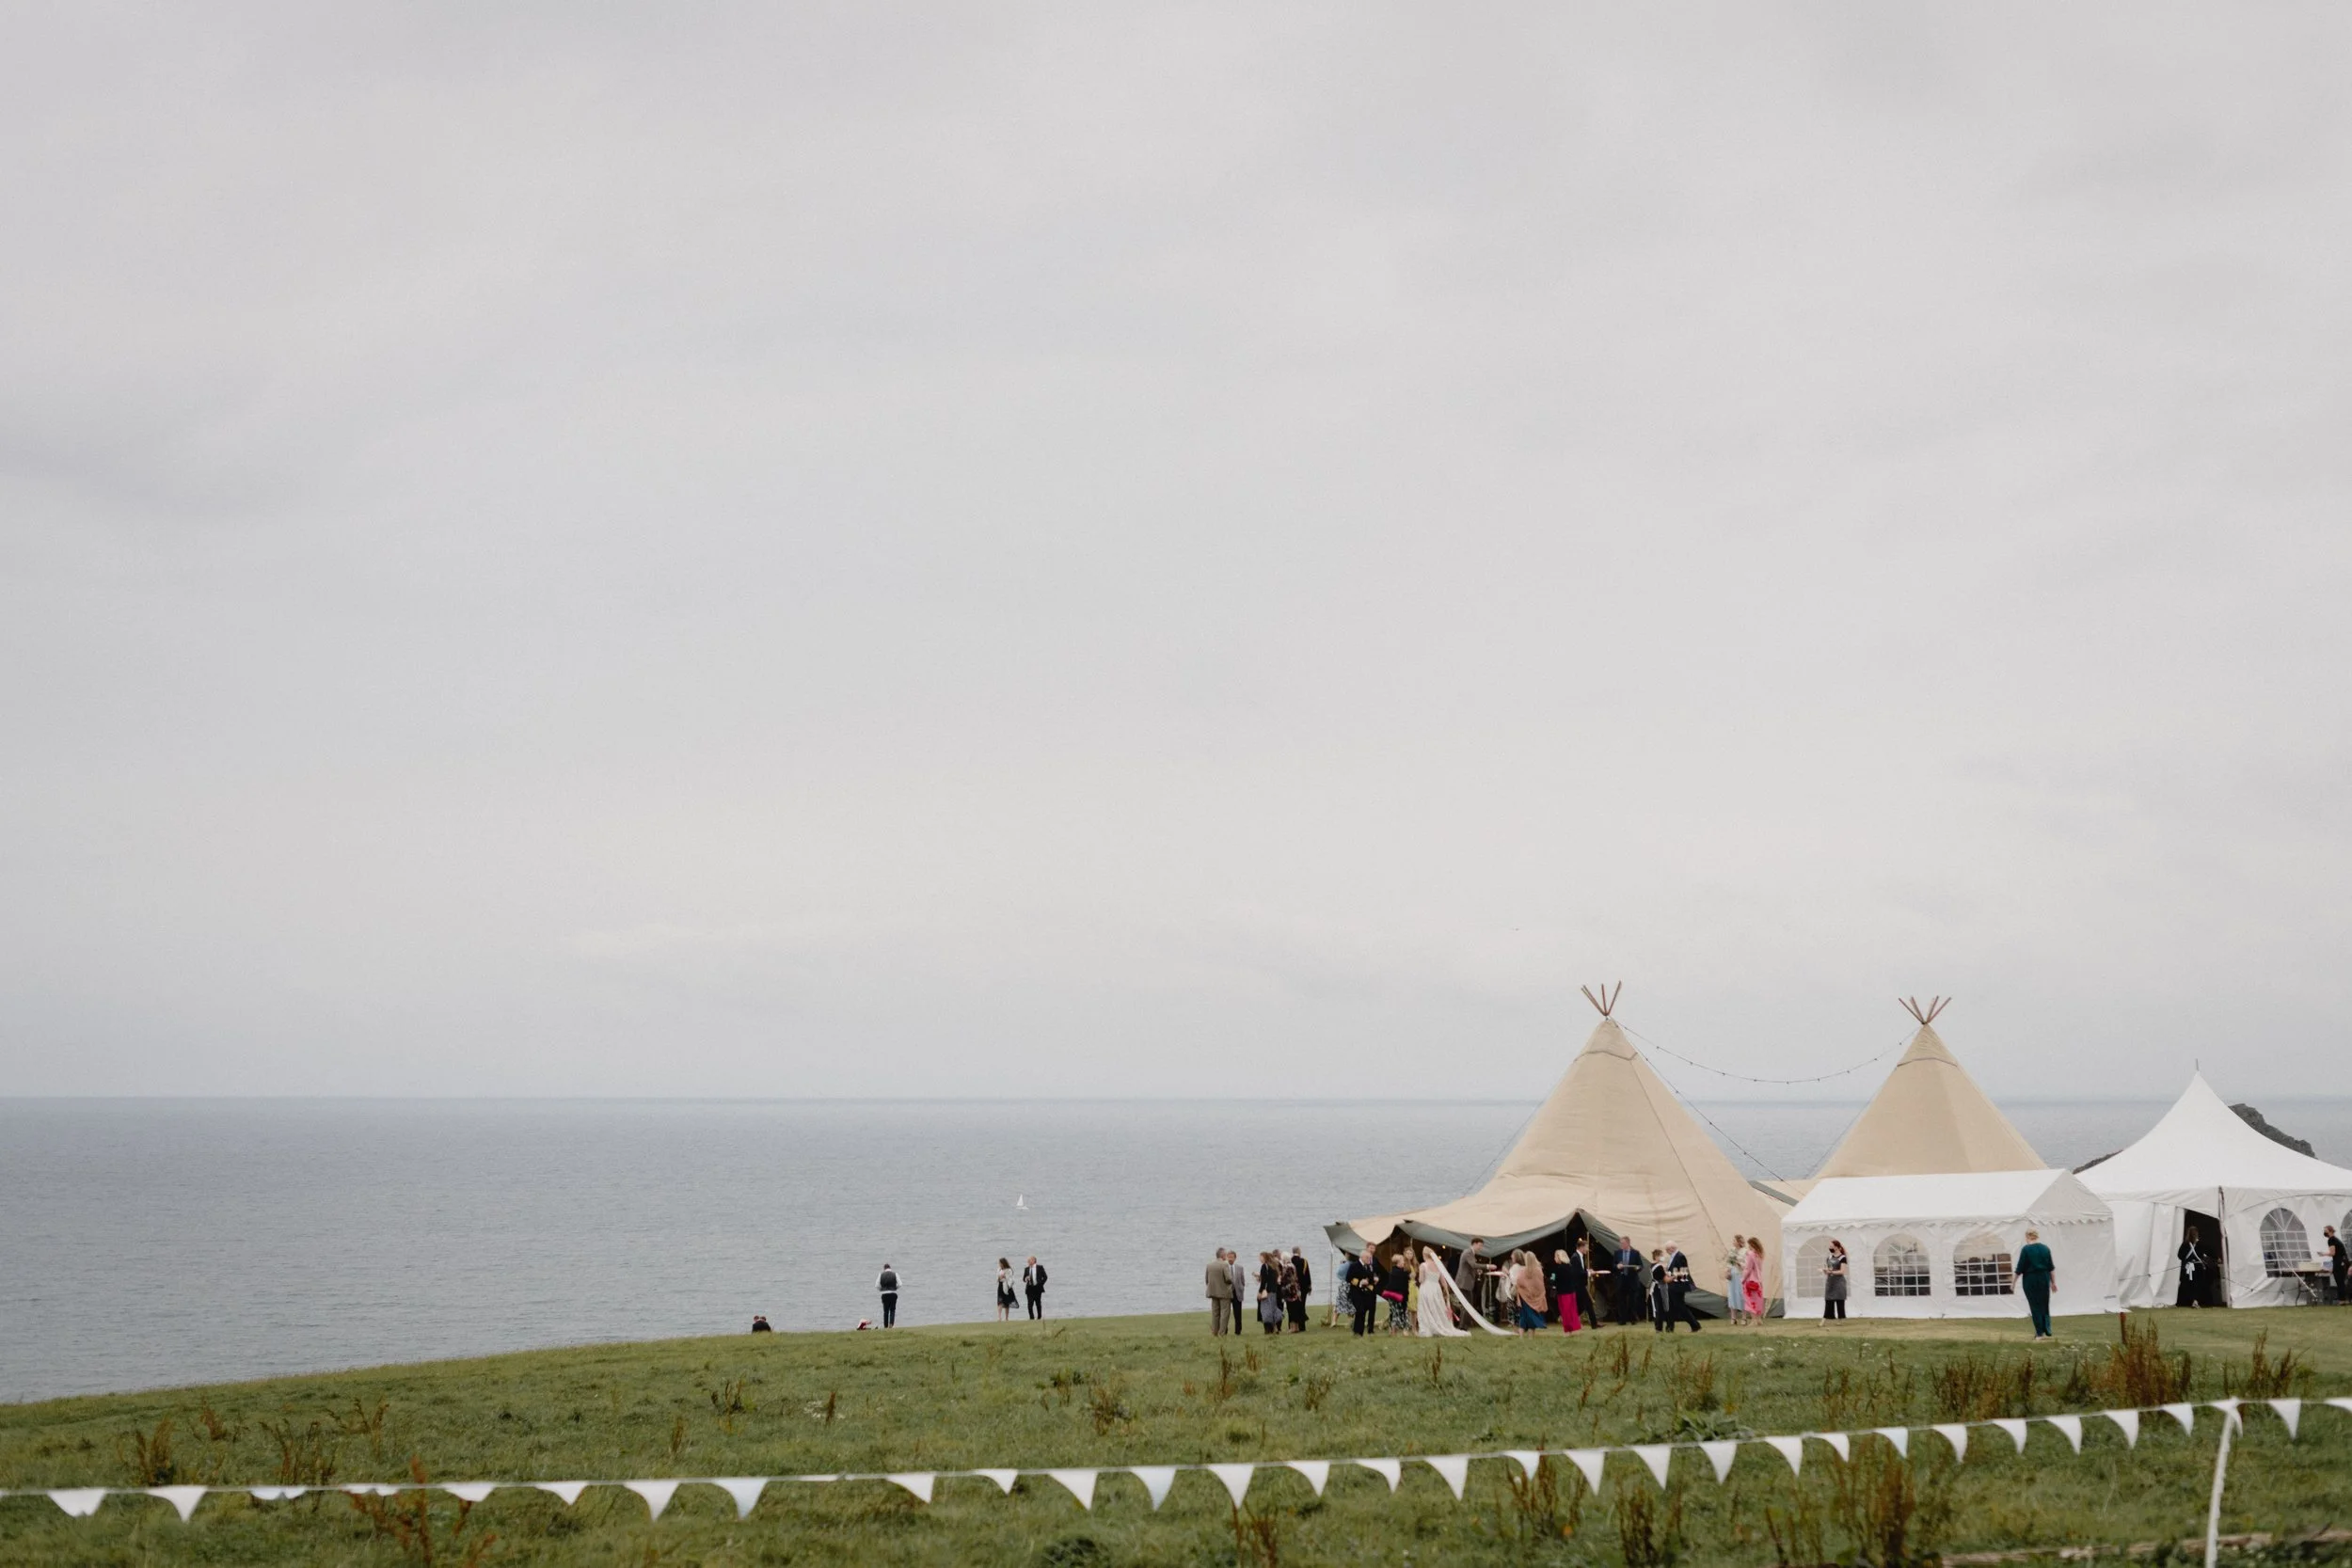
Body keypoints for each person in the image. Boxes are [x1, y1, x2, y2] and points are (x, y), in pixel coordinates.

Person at [1418, 1247, 1469, 1336]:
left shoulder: (1423, 1265)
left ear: (1424, 1255)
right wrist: (1446, 1290)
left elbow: (1421, 1280)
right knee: (1437, 1307)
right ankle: (1439, 1325)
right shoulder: (1438, 1265)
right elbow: (1443, 1280)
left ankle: (1428, 1328)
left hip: (1426, 1288)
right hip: (1436, 1289)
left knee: (1426, 1308)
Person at [2017, 1228, 2057, 1338]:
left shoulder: (2026, 1249)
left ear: (2027, 1237)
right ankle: (2047, 1328)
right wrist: (2053, 1283)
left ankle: (2039, 1332)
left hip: (2030, 1279)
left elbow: (2019, 1268)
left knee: (2035, 1305)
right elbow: (2051, 1268)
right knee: (2044, 1304)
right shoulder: (2045, 1249)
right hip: (2044, 1278)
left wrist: (2013, 1282)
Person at [1661, 1241, 1701, 1332]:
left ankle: (1695, 1325)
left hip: (1678, 1286)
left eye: (1667, 1249)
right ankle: (1669, 1328)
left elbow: (1684, 1272)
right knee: (1670, 1307)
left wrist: (1671, 1276)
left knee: (1680, 1307)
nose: (1667, 1251)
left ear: (1672, 1248)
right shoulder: (1673, 1257)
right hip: (1672, 1285)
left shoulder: (1680, 1256)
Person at [1345, 1247, 1380, 1337]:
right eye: (1368, 1258)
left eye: (1370, 1258)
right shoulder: (1354, 1265)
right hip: (1355, 1292)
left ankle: (1359, 1332)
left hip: (1366, 1293)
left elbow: (1370, 1278)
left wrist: (1374, 1281)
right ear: (1362, 1257)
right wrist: (1360, 1282)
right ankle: (1357, 1331)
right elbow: (1348, 1278)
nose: (1369, 1260)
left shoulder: (1368, 1266)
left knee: (1362, 1312)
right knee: (1360, 1310)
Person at [1515, 1249, 1549, 1333]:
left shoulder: (1522, 1271)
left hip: (1525, 1297)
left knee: (1524, 1316)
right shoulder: (1538, 1270)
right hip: (1535, 1297)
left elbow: (1519, 1282)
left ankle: (1521, 1337)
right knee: (1533, 1315)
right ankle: (1531, 1336)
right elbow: (1540, 1284)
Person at [1550, 1248, 1583, 1333]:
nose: (1554, 1259)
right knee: (1572, 1311)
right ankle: (1574, 1327)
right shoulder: (1570, 1267)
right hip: (1571, 1292)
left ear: (1559, 1257)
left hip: (1563, 1293)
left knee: (1565, 1312)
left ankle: (1568, 1329)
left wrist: (1552, 1281)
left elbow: (1553, 1281)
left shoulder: (1558, 1269)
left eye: (1555, 1257)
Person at [2176, 1225, 2209, 1308]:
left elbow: (2180, 1256)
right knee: (2198, 1285)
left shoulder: (2185, 1244)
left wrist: (2187, 1260)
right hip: (2197, 1267)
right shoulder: (2200, 1244)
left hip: (2187, 1267)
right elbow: (2204, 1254)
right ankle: (2195, 1301)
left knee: (2188, 1285)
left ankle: (2188, 1301)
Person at [1613, 1238, 1645, 1324]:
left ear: (1628, 1243)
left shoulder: (1635, 1253)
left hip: (1632, 1279)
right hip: (1621, 1279)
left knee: (1633, 1301)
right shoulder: (1617, 1253)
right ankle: (1622, 1320)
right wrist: (1617, 1266)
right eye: (1620, 1243)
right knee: (1621, 1300)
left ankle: (1633, 1319)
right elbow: (1613, 1265)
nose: (1621, 1245)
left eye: (1623, 1243)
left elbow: (1641, 1266)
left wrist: (1637, 1268)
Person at [1381, 1249, 1412, 1333]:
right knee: (1400, 1313)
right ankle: (1401, 1330)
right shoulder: (1401, 1273)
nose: (1404, 1262)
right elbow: (1403, 1285)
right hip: (1398, 1297)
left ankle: (1393, 1330)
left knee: (1393, 1313)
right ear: (1398, 1262)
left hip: (1392, 1296)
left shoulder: (1393, 1271)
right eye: (1402, 1261)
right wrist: (1410, 1276)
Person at [1205, 1249, 1233, 1335]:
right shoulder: (1224, 1265)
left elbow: (1207, 1280)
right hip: (1224, 1293)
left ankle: (1214, 1332)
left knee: (1215, 1313)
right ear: (1223, 1255)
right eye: (1225, 1254)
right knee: (1225, 1313)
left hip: (1213, 1292)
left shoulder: (1209, 1265)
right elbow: (1228, 1278)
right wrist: (1230, 1282)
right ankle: (1222, 1332)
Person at [1258, 1251, 1285, 1335]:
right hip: (1274, 1292)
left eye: (1260, 1257)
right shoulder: (1274, 1266)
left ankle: (1268, 1329)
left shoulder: (1264, 1266)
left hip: (1267, 1292)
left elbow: (1264, 1281)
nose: (1259, 1259)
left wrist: (1260, 1292)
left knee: (1265, 1310)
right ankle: (1276, 1325)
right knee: (1273, 1309)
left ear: (1264, 1257)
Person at [1822, 1240, 1849, 1322]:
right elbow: (1829, 1269)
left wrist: (1831, 1272)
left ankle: (1840, 1318)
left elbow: (1842, 1271)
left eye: (1831, 1246)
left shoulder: (1842, 1258)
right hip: (1830, 1281)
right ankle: (1827, 1317)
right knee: (1828, 1299)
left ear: (1836, 1247)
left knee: (1839, 1299)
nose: (1830, 1247)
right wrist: (1825, 1271)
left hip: (1839, 1282)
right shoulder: (1829, 1258)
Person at [1741, 1236, 1767, 1323]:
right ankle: (1759, 1320)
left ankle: (1754, 1320)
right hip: (1758, 1280)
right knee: (1758, 1301)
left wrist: (1743, 1279)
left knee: (1750, 1301)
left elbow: (1748, 1269)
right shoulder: (1759, 1254)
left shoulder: (1750, 1254)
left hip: (1750, 1280)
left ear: (1751, 1244)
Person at [1286, 1247, 1311, 1332]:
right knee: (1302, 1306)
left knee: (1292, 1307)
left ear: (1293, 1252)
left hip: (1292, 1288)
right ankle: (1302, 1327)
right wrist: (1309, 1286)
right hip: (1303, 1288)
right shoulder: (1304, 1261)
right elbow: (1307, 1275)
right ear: (1299, 1252)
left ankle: (1291, 1326)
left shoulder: (1289, 1261)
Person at [1725, 1234, 1749, 1325]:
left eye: (1734, 1240)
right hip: (1732, 1274)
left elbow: (1747, 1264)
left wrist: (1739, 1263)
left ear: (1739, 1242)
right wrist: (1727, 1271)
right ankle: (1733, 1318)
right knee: (1732, 1295)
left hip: (1740, 1275)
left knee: (1741, 1295)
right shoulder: (1731, 1251)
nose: (1733, 1242)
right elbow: (1729, 1263)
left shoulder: (1745, 1251)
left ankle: (1744, 1317)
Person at [1226, 1250, 1249, 1334]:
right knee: (1226, 1313)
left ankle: (1238, 1331)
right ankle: (1224, 1330)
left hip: (1237, 1293)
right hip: (1227, 1293)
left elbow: (1242, 1280)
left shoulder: (1240, 1268)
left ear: (1235, 1258)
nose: (1230, 1259)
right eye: (1229, 1257)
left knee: (1238, 1313)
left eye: (1232, 1257)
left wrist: (1242, 1288)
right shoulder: (1224, 1267)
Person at [2327, 1224, 2348, 1305]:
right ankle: (2345, 1299)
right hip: (2343, 1262)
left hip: (2339, 1262)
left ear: (2330, 1231)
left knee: (2339, 1282)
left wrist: (2323, 1254)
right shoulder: (2336, 1239)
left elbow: (2333, 1253)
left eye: (2326, 1231)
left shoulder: (2331, 1240)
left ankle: (2342, 1300)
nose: (2325, 1233)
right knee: (2342, 1282)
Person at [1022, 1255, 1048, 1320]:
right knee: (1030, 1304)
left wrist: (1041, 1284)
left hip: (1037, 1288)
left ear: (1034, 1260)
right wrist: (1026, 1279)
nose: (1028, 1261)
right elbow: (1023, 1279)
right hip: (1030, 1288)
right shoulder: (1026, 1269)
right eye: (1028, 1260)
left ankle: (1039, 1317)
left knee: (1038, 1303)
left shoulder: (1040, 1267)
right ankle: (1031, 1318)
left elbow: (1045, 1277)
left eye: (1029, 1260)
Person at [877, 1262, 900, 1328]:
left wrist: (881, 1289)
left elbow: (877, 1285)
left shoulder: (881, 1275)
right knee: (892, 1310)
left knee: (885, 1311)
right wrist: (895, 1288)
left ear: (884, 1268)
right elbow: (900, 1284)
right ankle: (891, 1324)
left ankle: (885, 1326)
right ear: (890, 1268)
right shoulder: (895, 1274)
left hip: (884, 1294)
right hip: (893, 1293)